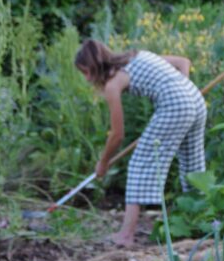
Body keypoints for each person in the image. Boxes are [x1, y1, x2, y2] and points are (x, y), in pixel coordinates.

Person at [74, 39, 207, 247]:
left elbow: (117, 134)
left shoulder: (112, 84)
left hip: (178, 104)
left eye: (86, 72)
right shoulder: (136, 56)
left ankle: (125, 236)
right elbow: (183, 62)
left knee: (139, 164)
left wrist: (103, 162)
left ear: (95, 66)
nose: (87, 79)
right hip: (195, 99)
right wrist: (184, 90)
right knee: (193, 164)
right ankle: (204, 223)